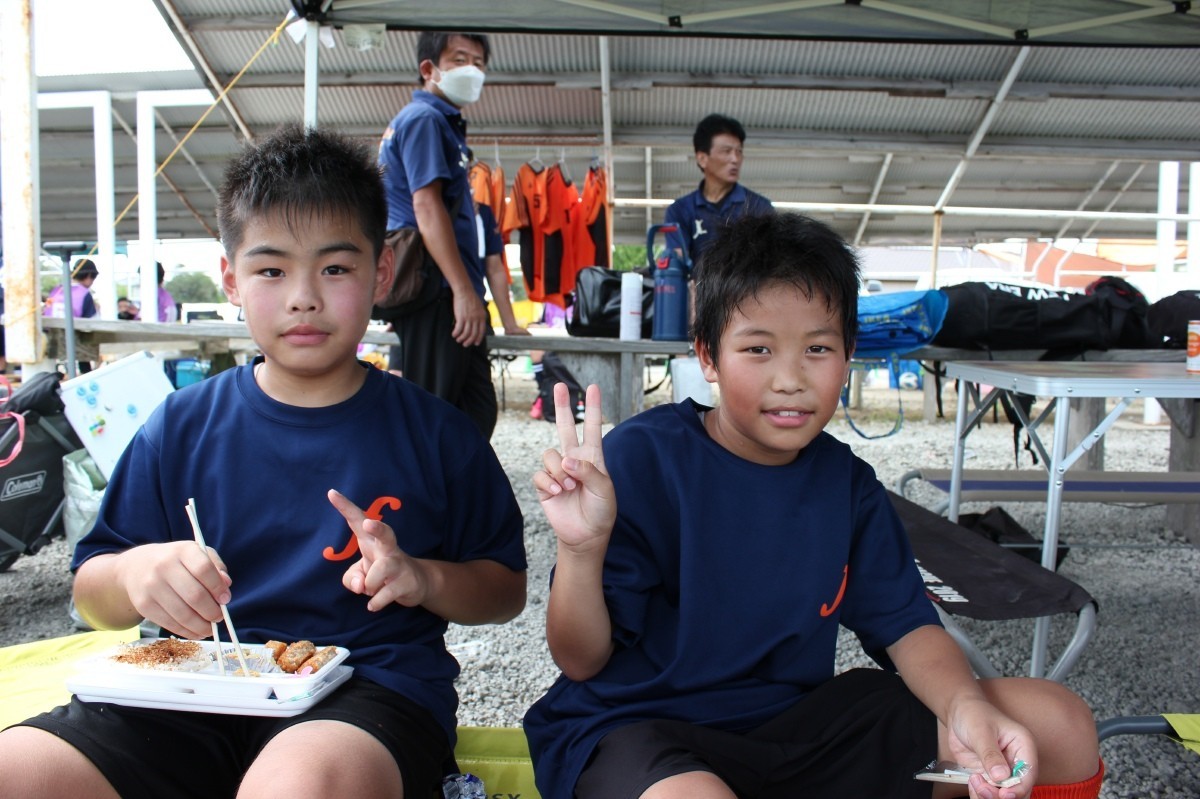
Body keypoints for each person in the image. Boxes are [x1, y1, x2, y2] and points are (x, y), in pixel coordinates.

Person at [0, 125, 528, 799]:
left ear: (381, 273)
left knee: (299, 783)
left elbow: (504, 589)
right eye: (272, 270)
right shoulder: (180, 426)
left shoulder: (439, 435)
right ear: (232, 279)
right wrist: (136, 574)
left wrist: (421, 577)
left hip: (365, 693)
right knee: (18, 768)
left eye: (335, 268)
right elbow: (90, 590)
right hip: (189, 682)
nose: (303, 296)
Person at [523, 213, 1103, 799]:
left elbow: (906, 626)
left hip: (797, 731)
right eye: (758, 349)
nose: (790, 379)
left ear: (849, 356)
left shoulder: (847, 485)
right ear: (708, 356)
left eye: (818, 349)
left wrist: (964, 708)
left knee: (1059, 725)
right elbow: (580, 660)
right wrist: (580, 550)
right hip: (640, 732)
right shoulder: (642, 460)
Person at [378, 31, 497, 438]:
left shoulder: (437, 123)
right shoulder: (425, 120)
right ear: (429, 69)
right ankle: (417, 482)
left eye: (479, 63)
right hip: (437, 289)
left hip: (442, 289)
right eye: (459, 59)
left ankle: (453, 482)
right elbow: (426, 207)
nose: (472, 70)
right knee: (437, 414)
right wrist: (463, 292)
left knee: (471, 411)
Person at [662, 114, 773, 265]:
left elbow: (769, 264)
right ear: (702, 159)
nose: (735, 159)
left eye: (739, 151)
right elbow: (677, 262)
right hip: (696, 282)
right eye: (726, 151)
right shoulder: (680, 211)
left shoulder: (759, 208)